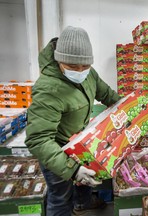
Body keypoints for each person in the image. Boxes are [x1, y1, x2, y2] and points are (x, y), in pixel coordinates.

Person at [25, 26, 121, 216]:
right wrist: (73, 170)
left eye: (84, 66)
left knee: (84, 184)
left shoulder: (89, 74)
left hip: (81, 145)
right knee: (60, 197)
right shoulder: (48, 89)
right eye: (72, 67)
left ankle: (82, 205)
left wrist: (130, 107)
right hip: (57, 151)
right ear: (59, 60)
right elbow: (38, 140)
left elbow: (107, 95)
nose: (79, 71)